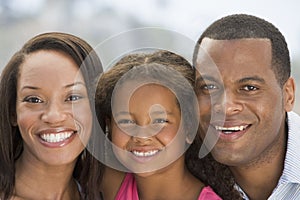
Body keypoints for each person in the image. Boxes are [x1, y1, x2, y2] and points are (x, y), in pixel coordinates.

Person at [95, 50, 242, 199]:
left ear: (189, 129)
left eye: (160, 121)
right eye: (126, 122)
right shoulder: (107, 183)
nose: (142, 136)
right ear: (110, 127)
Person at [193, 14, 299, 199]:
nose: (226, 107)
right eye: (209, 87)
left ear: (288, 95)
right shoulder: (175, 173)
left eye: (249, 88)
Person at [0, 32, 103, 200]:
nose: (54, 116)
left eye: (73, 97)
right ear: (13, 112)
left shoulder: (108, 192)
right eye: (34, 99)